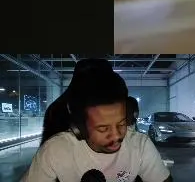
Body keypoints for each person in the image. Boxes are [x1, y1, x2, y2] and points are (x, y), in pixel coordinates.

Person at [23, 63, 171, 182]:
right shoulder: (54, 150)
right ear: (79, 127)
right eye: (103, 128)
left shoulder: (140, 145)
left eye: (121, 124)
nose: (116, 135)